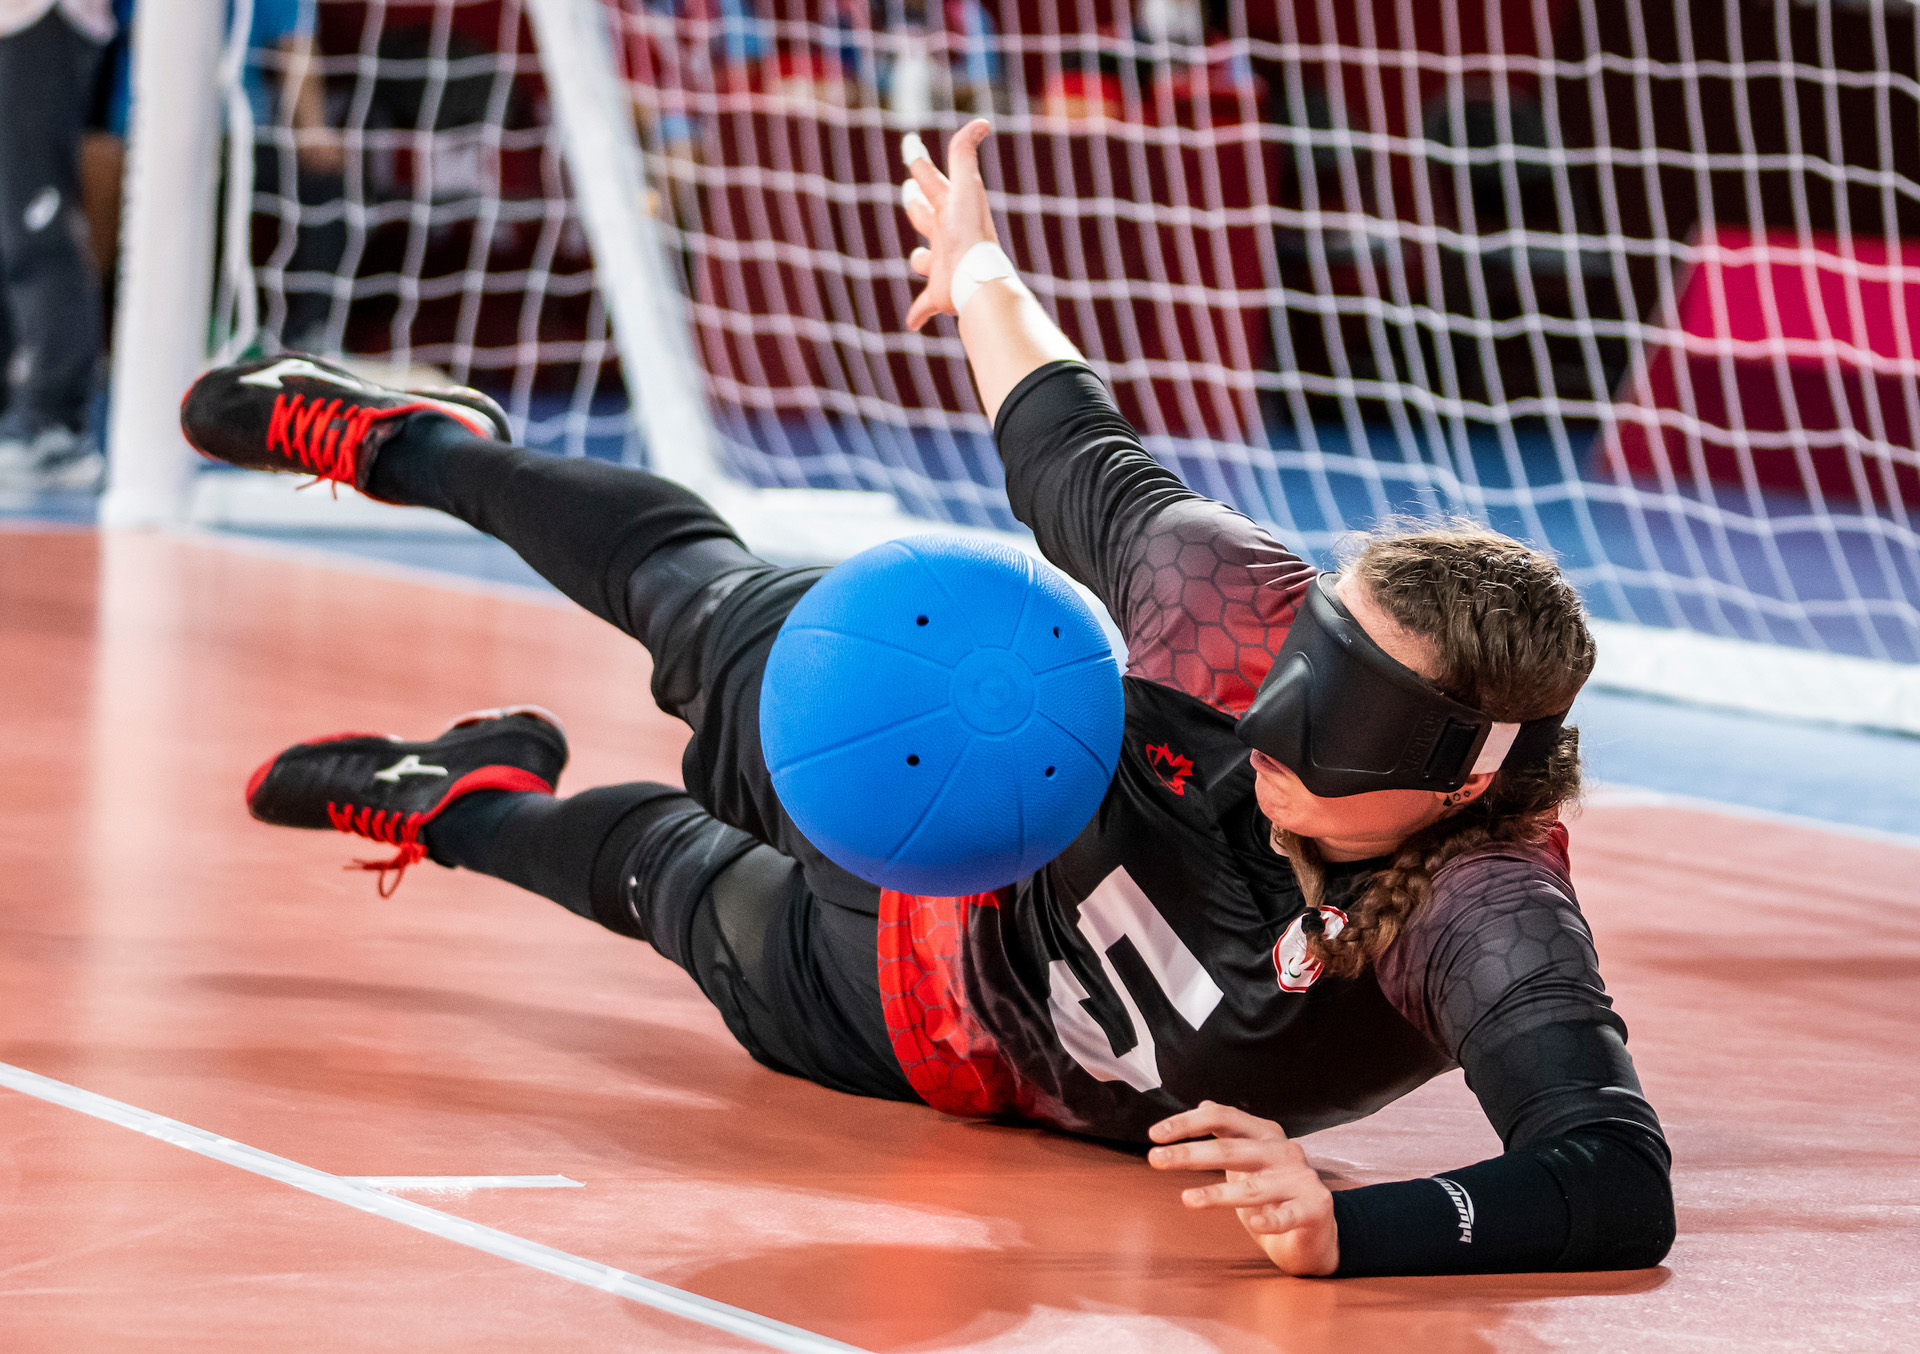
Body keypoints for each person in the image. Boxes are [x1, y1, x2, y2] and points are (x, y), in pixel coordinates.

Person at [180, 120, 1674, 1279]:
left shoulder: (1483, 908)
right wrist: (976, 270)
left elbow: (1613, 1172)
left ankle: (459, 799)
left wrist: (1364, 1227)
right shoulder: (1232, 603)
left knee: (653, 870)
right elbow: (1063, 437)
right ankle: (414, 446)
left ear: (1464, 777)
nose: (1280, 732)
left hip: (921, 1020)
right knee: (697, 596)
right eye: (1305, 672)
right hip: (955, 748)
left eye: (1344, 725)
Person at [0, 0, 112, 490]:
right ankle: (24, 419)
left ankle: (55, 429)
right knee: (12, 227)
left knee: (37, 224)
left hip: (38, 20)